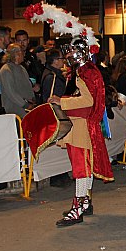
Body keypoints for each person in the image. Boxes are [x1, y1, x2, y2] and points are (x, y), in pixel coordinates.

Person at [24, 2, 114, 226]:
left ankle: (78, 208)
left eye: (72, 50)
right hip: (81, 126)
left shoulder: (85, 72)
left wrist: (60, 100)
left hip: (81, 126)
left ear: (81, 51)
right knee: (84, 166)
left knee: (81, 168)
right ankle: (86, 203)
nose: (69, 54)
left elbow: (87, 101)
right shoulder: (84, 71)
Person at [40, 48, 74, 187]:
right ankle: (57, 176)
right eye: (61, 59)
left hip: (57, 113)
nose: (63, 61)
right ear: (54, 61)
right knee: (56, 143)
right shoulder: (52, 77)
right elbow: (52, 97)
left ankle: (61, 173)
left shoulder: (54, 74)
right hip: (55, 114)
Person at [0, 43, 36, 118]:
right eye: (22, 52)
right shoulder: (6, 70)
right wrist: (25, 104)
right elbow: (11, 92)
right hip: (16, 109)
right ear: (17, 54)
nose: (24, 54)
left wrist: (32, 99)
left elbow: (28, 85)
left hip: (27, 107)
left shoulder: (22, 68)